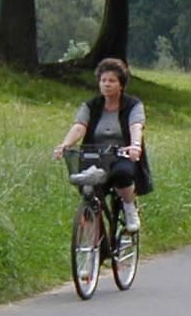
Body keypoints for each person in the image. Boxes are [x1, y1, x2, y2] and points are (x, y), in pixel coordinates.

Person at [53, 57, 147, 232]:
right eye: (103, 80)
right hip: (95, 156)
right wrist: (65, 145)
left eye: (112, 81)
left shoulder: (133, 105)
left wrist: (135, 146)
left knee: (122, 174)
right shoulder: (91, 106)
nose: (106, 84)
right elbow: (79, 127)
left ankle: (129, 208)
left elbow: (136, 126)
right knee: (87, 186)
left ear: (121, 84)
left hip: (122, 155)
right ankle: (94, 231)